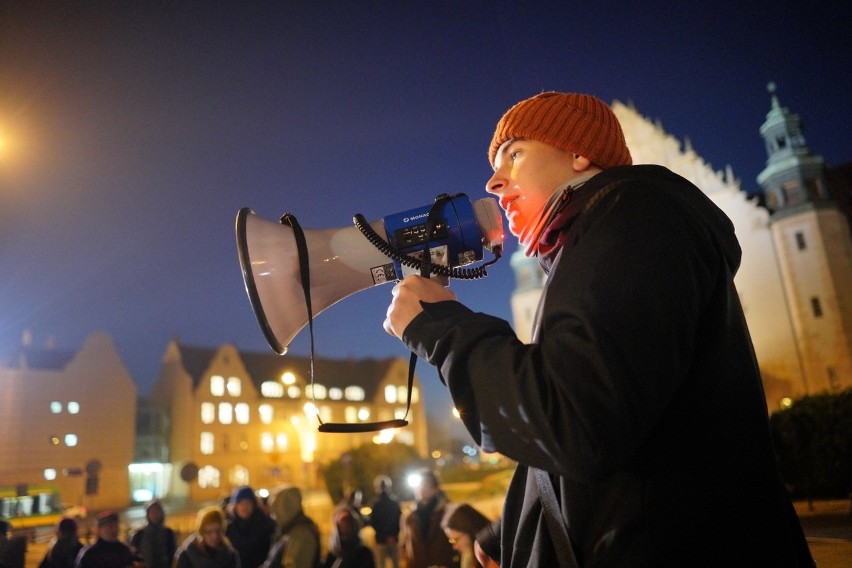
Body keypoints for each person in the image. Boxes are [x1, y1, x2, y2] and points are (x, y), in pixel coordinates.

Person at [383, 91, 815, 566]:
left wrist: (441, 328)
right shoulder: (599, 239)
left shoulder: (637, 215)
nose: (493, 181)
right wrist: (513, 531)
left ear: (578, 152)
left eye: (515, 153)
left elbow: (574, 418)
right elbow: (609, 437)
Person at [399, 471, 453, 568]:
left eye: (425, 485)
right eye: (418, 485)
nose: (420, 489)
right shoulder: (408, 516)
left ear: (435, 489)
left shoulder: (446, 511)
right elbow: (405, 545)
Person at [265, 485, 320, 568]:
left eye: (275, 509)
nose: (273, 515)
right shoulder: (287, 532)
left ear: (285, 509)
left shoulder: (302, 535)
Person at [226, 486, 276, 568]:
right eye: (241, 503)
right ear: (235, 506)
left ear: (254, 505)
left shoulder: (265, 525)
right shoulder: (229, 528)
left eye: (248, 503)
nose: (245, 507)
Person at [174, 506, 240, 568]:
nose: (214, 536)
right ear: (202, 532)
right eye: (209, 531)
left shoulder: (230, 556)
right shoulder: (187, 556)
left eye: (218, 531)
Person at [128, 499, 177, 568]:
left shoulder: (168, 533)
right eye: (153, 512)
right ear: (148, 514)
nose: (156, 514)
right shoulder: (139, 534)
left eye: (158, 511)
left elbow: (173, 554)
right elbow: (133, 553)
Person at [366, 476, 401, 568]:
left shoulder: (375, 503)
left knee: (381, 564)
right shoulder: (394, 502)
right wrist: (392, 535)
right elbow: (398, 520)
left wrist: (384, 536)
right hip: (393, 539)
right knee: (396, 564)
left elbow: (373, 522)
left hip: (381, 539)